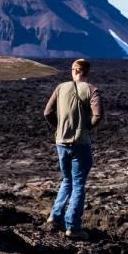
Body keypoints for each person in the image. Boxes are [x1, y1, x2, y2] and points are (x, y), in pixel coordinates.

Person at [43, 59, 103, 239]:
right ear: (86, 72)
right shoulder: (92, 90)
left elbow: (47, 113)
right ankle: (73, 227)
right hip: (80, 144)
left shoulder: (60, 88)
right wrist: (85, 129)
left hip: (61, 142)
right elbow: (98, 116)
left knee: (66, 180)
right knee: (78, 185)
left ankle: (55, 217)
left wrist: (60, 127)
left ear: (74, 71)